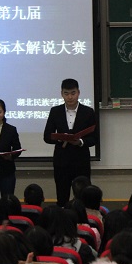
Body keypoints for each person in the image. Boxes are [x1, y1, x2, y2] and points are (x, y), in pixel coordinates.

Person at [43, 79, 98, 207]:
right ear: (61, 94)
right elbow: (47, 136)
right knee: (62, 196)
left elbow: (94, 138)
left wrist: (80, 142)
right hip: (61, 161)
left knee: (83, 196)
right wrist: (60, 138)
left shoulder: (88, 112)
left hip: (81, 161)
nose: (70, 97)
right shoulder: (55, 111)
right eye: (66, 93)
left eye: (73, 93)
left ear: (78, 93)